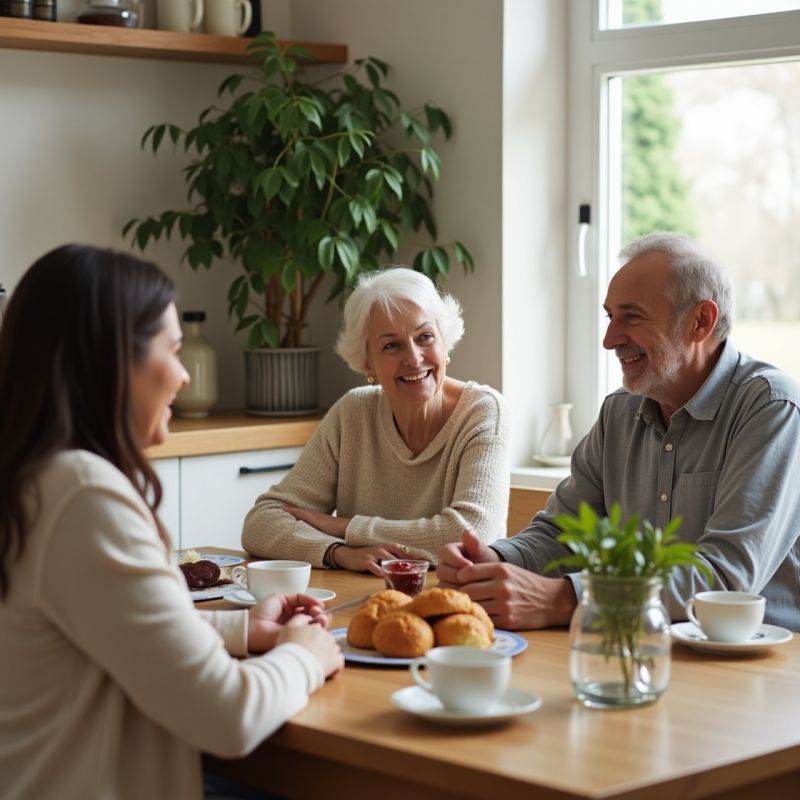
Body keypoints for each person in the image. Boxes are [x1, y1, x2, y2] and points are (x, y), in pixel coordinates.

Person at [0, 245, 343, 800]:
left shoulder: (32, 478)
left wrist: (241, 629)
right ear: (114, 360)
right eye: (174, 350)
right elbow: (226, 715)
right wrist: (303, 657)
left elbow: (102, 628)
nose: (185, 377)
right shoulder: (83, 496)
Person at [438, 232, 800, 632]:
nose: (609, 340)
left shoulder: (772, 408)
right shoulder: (619, 411)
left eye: (632, 316)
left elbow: (724, 577)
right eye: (610, 316)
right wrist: (497, 560)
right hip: (641, 647)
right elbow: (563, 532)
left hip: (760, 666)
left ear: (701, 321)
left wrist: (567, 598)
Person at [242, 266, 510, 574]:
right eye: (391, 345)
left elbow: (471, 535)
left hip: (455, 600)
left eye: (425, 337)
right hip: (360, 598)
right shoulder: (353, 412)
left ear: (444, 342)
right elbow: (261, 521)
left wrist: (345, 527)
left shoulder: (483, 411)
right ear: (366, 361)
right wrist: (337, 552)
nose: (413, 358)